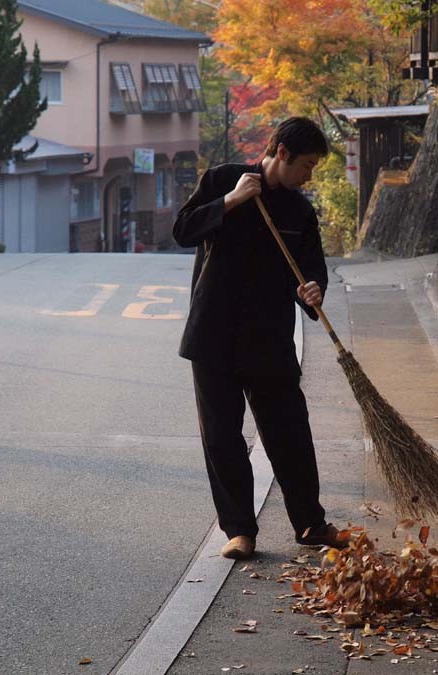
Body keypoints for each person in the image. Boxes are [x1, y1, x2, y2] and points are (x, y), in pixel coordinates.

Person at [173, 117, 347, 560]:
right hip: (213, 332)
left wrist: (313, 289)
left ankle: (309, 522)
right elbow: (183, 229)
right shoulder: (222, 180)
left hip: (269, 337)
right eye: (306, 165)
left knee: (289, 429)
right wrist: (230, 202)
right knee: (222, 435)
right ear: (282, 153)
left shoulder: (299, 211)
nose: (309, 176)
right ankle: (239, 530)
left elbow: (312, 269)